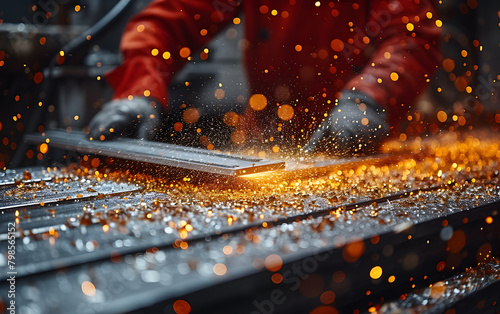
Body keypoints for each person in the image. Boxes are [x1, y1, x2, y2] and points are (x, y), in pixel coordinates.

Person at [88, 0, 441, 156]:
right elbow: (167, 24)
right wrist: (140, 90)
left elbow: (410, 36)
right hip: (266, 143)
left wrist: (367, 100)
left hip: (363, 143)